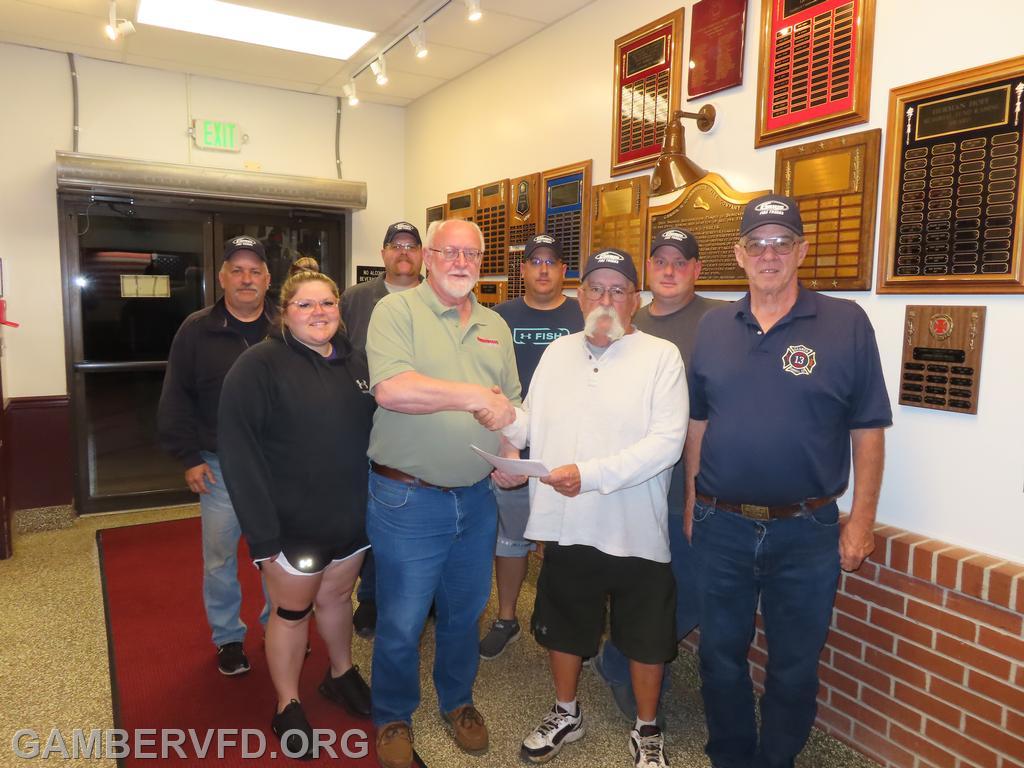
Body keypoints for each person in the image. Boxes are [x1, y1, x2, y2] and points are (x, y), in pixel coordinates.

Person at [686, 194, 891, 768]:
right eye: (757, 243)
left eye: (782, 243)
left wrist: (862, 524)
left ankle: (775, 760)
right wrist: (691, 502)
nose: (769, 254)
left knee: (795, 663)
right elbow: (697, 424)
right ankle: (729, 757)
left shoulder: (845, 323)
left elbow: (869, 430)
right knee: (720, 657)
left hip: (807, 531)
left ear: (802, 250)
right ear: (739, 254)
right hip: (721, 524)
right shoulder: (712, 327)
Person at [501, 248, 687, 768]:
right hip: (567, 523)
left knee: (647, 637)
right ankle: (566, 712)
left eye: (618, 290)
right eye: (596, 289)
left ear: (635, 300)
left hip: (636, 527)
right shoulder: (557, 353)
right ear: (580, 296)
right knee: (564, 624)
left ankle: (646, 728)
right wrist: (502, 424)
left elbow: (666, 443)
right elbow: (531, 423)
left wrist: (591, 475)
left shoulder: (661, 357)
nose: (605, 299)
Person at [365, 218, 521, 768]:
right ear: (428, 258)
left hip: (476, 499)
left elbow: (510, 404)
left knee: (464, 614)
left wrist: (514, 455)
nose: (460, 262)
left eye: (471, 255)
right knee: (403, 619)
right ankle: (391, 714)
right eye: (449, 252)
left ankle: (457, 702)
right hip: (408, 499)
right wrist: (476, 396)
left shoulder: (494, 326)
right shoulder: (396, 312)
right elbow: (394, 389)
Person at [218, 270, 376, 758]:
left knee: (337, 599)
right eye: (305, 305)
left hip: (350, 520)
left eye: (327, 303)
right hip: (292, 526)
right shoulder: (258, 366)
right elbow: (238, 453)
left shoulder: (359, 364)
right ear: (284, 312)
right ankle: (287, 702)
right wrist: (263, 538)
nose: (319, 313)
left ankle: (340, 673)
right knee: (291, 612)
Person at [592, 228, 725, 721]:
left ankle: (619, 657)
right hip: (632, 485)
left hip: (695, 487)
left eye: (682, 261)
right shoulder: (625, 319)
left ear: (696, 269)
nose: (670, 270)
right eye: (661, 260)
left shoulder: (722, 321)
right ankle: (628, 666)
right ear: (647, 269)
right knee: (643, 589)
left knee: (693, 590)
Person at [157, 235, 274, 677]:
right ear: (222, 277)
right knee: (221, 558)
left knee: (277, 556)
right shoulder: (196, 329)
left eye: (254, 271)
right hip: (220, 468)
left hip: (277, 467)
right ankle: (227, 637)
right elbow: (176, 397)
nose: (246, 279)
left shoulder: (286, 327)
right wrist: (189, 456)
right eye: (237, 270)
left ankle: (277, 627)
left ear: (267, 278)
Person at [479, 234, 583, 661]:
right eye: (535, 261)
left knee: (567, 540)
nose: (543, 269)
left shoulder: (583, 313)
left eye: (552, 262)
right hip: (512, 443)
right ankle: (507, 617)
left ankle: (568, 623)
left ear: (564, 271)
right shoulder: (499, 317)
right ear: (522, 270)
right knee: (511, 536)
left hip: (569, 444)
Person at [341, 221, 424, 639]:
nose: (404, 252)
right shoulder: (356, 299)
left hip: (427, 423)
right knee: (374, 514)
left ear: (423, 254)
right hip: (368, 422)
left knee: (422, 514)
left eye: (412, 245)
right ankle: (370, 598)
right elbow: (336, 355)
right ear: (383, 252)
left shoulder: (440, 296)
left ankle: (423, 598)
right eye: (396, 245)